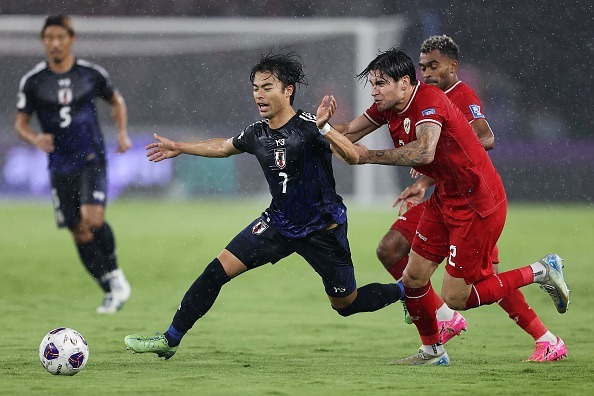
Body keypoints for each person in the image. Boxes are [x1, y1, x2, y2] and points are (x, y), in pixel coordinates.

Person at [123, 52, 404, 359]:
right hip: (278, 224)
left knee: (346, 306)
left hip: (323, 230)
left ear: (288, 90)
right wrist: (180, 146)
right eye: (256, 87)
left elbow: (351, 156)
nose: (259, 94)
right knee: (216, 272)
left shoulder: (311, 125)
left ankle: (405, 291)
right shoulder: (257, 133)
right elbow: (223, 146)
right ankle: (170, 339)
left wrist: (326, 128)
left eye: (267, 87)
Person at [322, 47, 570, 365]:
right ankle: (433, 351)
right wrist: (315, 127)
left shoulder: (432, 100)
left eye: (380, 83)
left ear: (404, 82)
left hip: (477, 202)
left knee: (460, 295)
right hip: (446, 197)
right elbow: (349, 131)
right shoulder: (389, 105)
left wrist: (369, 156)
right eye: (372, 83)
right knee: (411, 274)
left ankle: (541, 272)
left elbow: (428, 151)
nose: (374, 90)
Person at [14, 15, 132, 314]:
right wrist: (35, 139)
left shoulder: (90, 74)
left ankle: (116, 273)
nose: (54, 43)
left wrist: (121, 134)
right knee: (77, 229)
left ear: (71, 39)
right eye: (49, 38)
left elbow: (116, 101)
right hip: (60, 164)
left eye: (60, 37)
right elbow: (21, 124)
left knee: (92, 219)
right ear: (43, 41)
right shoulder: (33, 81)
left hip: (91, 157)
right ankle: (109, 288)